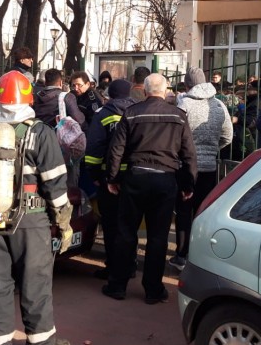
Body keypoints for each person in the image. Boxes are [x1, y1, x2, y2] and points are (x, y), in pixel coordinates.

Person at [0, 70, 72, 345]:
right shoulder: (41, 134)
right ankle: (40, 344)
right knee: (34, 282)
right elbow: (55, 185)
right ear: (28, 99)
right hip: (31, 222)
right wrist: (63, 223)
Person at [102, 73, 197, 304]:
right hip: (165, 180)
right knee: (158, 237)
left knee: (126, 233)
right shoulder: (179, 116)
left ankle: (117, 286)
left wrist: (113, 178)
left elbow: (116, 149)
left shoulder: (131, 113)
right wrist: (188, 183)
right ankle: (153, 290)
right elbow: (189, 154)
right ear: (166, 91)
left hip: (136, 178)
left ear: (144, 91)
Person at [172, 68, 232, 270]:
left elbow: (175, 134)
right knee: (202, 212)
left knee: (183, 212)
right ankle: (199, 255)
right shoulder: (219, 104)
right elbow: (228, 136)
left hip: (186, 167)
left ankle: (181, 254)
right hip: (209, 167)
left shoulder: (184, 103)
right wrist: (212, 149)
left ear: (187, 85)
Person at [83, 79, 134, 281]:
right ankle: (129, 265)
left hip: (108, 177)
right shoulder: (136, 112)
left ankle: (113, 267)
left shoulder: (103, 114)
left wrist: (94, 175)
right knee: (128, 224)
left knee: (111, 225)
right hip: (132, 176)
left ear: (110, 95)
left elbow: (94, 147)